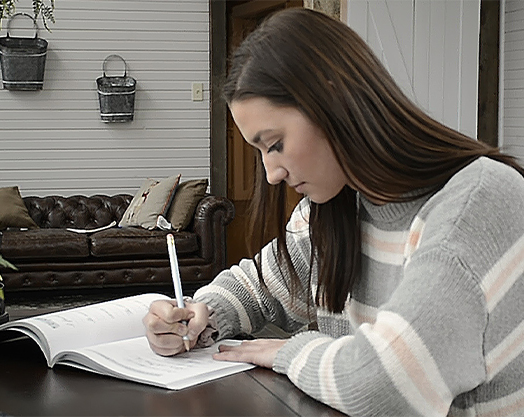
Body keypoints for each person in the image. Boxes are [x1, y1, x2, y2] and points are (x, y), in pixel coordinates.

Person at [143, 7, 524, 416]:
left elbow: (381, 386)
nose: (272, 174)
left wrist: (292, 352)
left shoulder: (479, 203)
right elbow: (260, 286)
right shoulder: (336, 206)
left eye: (274, 144)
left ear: (331, 98)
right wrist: (201, 315)